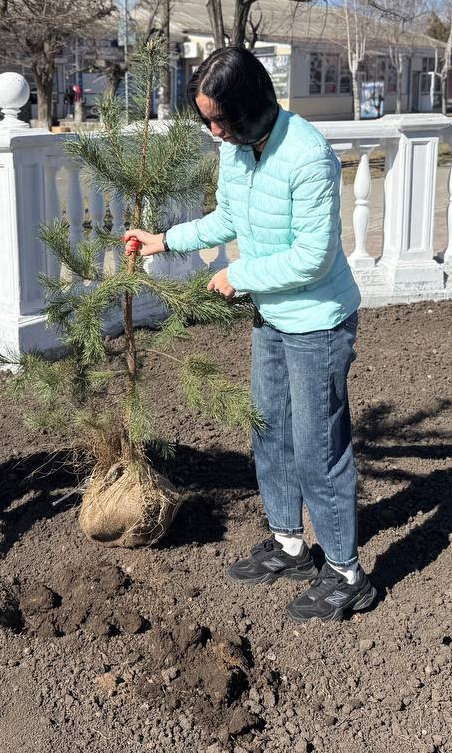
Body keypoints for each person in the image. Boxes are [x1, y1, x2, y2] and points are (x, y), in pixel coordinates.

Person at [124, 47, 371, 622]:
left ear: (253, 106)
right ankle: (290, 545)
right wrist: (166, 240)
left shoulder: (308, 155)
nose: (214, 131)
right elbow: (229, 218)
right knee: (269, 431)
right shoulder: (235, 149)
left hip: (318, 321)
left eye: (220, 119)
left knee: (319, 450)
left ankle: (346, 573)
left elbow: (314, 257)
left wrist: (240, 275)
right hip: (272, 317)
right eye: (207, 120)